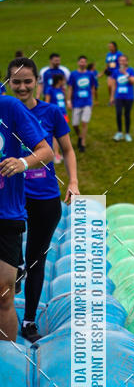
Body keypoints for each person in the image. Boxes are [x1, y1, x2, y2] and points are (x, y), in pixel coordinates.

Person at [6, 57, 79, 342]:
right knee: (14, 260)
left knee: (37, 259)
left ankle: (29, 321)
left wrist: (72, 181)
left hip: (44, 196)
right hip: (11, 197)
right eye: (16, 82)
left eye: (27, 81)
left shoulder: (51, 112)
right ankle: (17, 272)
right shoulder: (4, 112)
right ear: (9, 83)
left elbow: (68, 150)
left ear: (37, 82)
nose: (22, 87)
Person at [0, 95, 53, 343]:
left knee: (3, 295)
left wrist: (23, 162)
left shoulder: (9, 107)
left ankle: (6, 367)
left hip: (5, 215)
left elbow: (46, 151)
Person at [67, 55, 98, 152]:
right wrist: (68, 101)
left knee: (84, 122)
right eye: (81, 61)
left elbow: (93, 87)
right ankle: (80, 136)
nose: (83, 63)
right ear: (78, 63)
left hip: (87, 102)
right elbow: (70, 88)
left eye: (84, 62)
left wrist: (92, 100)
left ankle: (82, 142)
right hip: (76, 102)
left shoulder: (90, 74)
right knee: (75, 124)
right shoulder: (73, 74)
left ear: (86, 63)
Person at [110, 54, 134, 141]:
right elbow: (113, 85)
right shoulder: (116, 72)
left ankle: (127, 133)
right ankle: (119, 132)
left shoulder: (131, 70)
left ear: (127, 62)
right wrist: (112, 97)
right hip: (118, 96)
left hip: (129, 96)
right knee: (118, 113)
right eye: (121, 60)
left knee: (127, 115)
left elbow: (132, 81)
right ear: (119, 62)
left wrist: (125, 73)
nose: (122, 62)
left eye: (124, 60)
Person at [48, 74, 68, 163]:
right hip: (54, 114)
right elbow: (47, 102)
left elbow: (63, 101)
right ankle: (56, 154)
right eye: (63, 80)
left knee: (63, 134)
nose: (64, 81)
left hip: (63, 113)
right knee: (55, 135)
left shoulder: (61, 89)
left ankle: (61, 153)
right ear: (59, 80)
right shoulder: (50, 90)